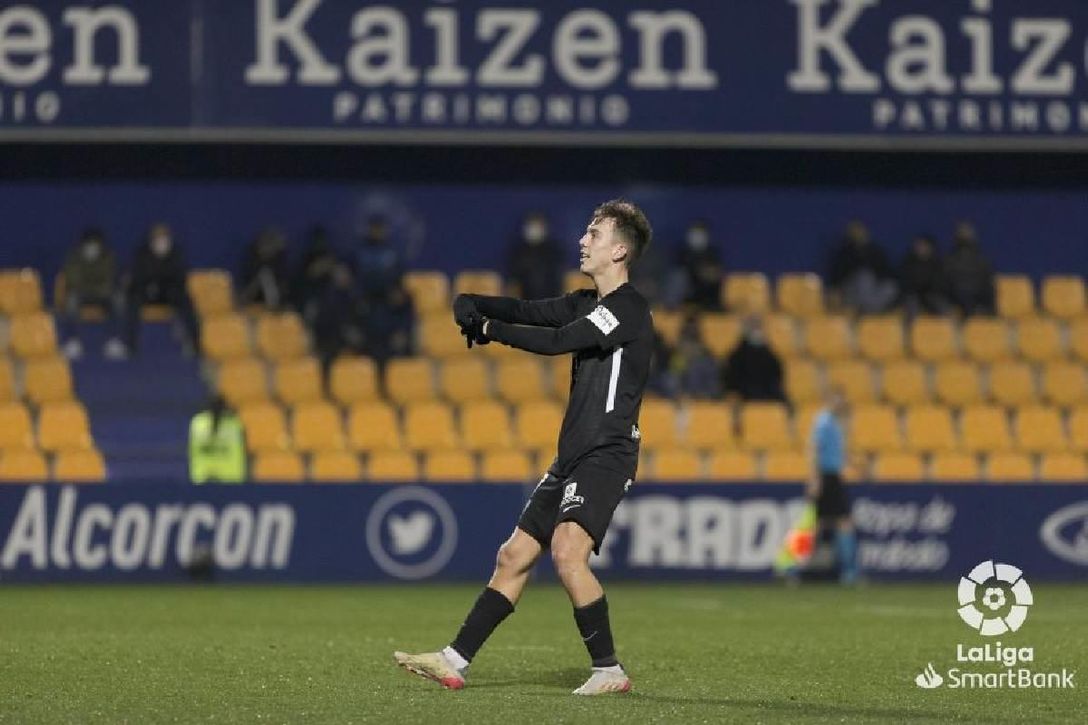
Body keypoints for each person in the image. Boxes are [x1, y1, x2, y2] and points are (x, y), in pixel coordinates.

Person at [394, 199, 654, 696]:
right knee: (513, 556)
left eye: (594, 234)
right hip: (572, 454)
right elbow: (531, 311)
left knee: (567, 552)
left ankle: (608, 670)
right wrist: (474, 301)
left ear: (619, 250)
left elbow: (559, 342)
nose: (583, 240)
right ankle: (452, 660)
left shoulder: (627, 309)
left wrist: (488, 330)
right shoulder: (586, 302)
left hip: (608, 451)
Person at [122, 223, 201, 357]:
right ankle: (130, 346)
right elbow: (137, 278)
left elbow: (180, 278)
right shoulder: (142, 254)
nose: (161, 243)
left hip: (169, 292)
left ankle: (195, 343)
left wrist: (165, 284)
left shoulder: (176, 254)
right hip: (147, 293)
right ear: (152, 241)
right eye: (158, 240)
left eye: (164, 239)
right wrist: (149, 286)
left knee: (185, 300)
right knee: (133, 301)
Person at [807, 387, 859, 585]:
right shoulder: (824, 421)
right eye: (837, 399)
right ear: (829, 399)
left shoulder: (835, 423)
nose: (840, 403)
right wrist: (814, 478)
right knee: (835, 523)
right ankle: (848, 571)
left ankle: (795, 567)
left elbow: (838, 452)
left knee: (826, 523)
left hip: (834, 476)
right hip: (826, 476)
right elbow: (814, 449)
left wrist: (855, 464)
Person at [58, 227, 123, 360]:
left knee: (117, 299)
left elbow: (109, 279)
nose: (92, 247)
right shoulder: (74, 257)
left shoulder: (108, 257)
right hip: (81, 293)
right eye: (89, 244)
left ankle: (114, 340)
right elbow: (73, 280)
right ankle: (73, 341)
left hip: (102, 294)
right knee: (71, 300)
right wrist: (90, 287)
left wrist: (97, 288)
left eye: (95, 244)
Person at [826, 220, 897, 314]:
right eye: (854, 232)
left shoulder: (876, 252)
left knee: (891, 287)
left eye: (860, 231)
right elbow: (836, 278)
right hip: (851, 292)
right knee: (864, 277)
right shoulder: (845, 254)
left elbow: (886, 273)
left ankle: (867, 311)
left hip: (873, 292)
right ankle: (869, 311)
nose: (858, 234)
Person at [721, 316, 785, 403]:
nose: (756, 332)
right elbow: (731, 380)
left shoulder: (770, 355)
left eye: (758, 328)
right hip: (745, 394)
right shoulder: (737, 355)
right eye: (753, 328)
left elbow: (776, 376)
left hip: (768, 394)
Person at [189, 395, 246, 484]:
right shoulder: (233, 424)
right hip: (230, 480)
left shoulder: (198, 422)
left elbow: (192, 452)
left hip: (203, 478)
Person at [943, 221, 995, 316]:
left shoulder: (982, 261)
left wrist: (989, 308)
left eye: (967, 233)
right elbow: (944, 285)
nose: (964, 235)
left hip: (977, 302)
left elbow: (988, 287)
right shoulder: (948, 260)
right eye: (962, 233)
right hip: (955, 301)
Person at [507, 211, 562, 299]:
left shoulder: (553, 251)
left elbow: (559, 278)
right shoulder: (518, 253)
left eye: (537, 227)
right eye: (532, 226)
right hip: (525, 302)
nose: (534, 230)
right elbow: (513, 281)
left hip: (551, 300)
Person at [662, 317, 719, 399]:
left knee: (701, 368)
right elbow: (674, 367)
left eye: (694, 327)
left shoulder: (703, 349)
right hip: (680, 375)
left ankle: (702, 397)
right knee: (670, 379)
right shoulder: (676, 347)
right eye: (690, 327)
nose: (692, 329)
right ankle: (679, 399)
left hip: (698, 376)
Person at [353, 215, 403, 302]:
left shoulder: (393, 251)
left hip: (387, 295)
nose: (377, 232)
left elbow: (399, 273)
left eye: (380, 228)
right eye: (375, 228)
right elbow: (350, 270)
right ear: (369, 229)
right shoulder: (359, 249)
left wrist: (397, 289)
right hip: (364, 294)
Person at [676, 220, 723, 310]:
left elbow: (715, 273)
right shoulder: (682, 253)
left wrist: (707, 273)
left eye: (700, 233)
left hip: (709, 298)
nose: (697, 237)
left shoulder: (712, 253)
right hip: (687, 296)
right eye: (695, 233)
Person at [898, 234, 949, 316]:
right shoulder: (908, 262)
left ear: (931, 248)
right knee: (911, 306)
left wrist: (929, 289)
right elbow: (905, 282)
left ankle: (948, 328)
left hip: (931, 295)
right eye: (919, 245)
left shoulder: (936, 263)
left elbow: (940, 283)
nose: (921, 248)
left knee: (942, 306)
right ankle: (908, 328)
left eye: (925, 245)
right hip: (913, 295)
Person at [240, 227, 289, 310]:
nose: (266, 249)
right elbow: (244, 297)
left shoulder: (280, 268)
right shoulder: (252, 266)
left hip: (277, 313)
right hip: (253, 309)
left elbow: (283, 295)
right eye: (263, 244)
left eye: (270, 245)